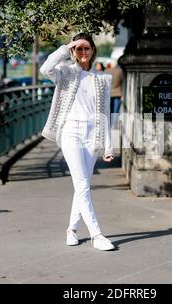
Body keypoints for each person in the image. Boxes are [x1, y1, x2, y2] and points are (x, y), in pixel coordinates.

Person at [40, 33, 116, 251]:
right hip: (70, 132)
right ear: (73, 51)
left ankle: (71, 229)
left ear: (93, 50)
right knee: (82, 183)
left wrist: (107, 146)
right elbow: (45, 69)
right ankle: (97, 235)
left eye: (86, 48)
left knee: (82, 184)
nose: (83, 52)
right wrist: (66, 47)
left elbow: (105, 115)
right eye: (78, 49)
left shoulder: (102, 80)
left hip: (92, 135)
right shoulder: (65, 73)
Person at [105, 61, 123, 129]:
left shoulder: (106, 71)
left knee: (108, 110)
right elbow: (122, 82)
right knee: (115, 111)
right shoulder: (120, 71)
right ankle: (114, 125)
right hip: (117, 93)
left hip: (108, 94)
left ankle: (108, 125)